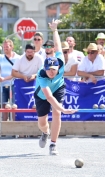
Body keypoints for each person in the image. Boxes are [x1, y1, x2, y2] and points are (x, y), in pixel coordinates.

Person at [35, 19, 77, 155]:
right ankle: (45, 133)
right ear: (45, 68)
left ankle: (53, 144)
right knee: (42, 123)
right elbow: (49, 97)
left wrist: (55, 30)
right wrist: (64, 109)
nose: (52, 72)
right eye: (49, 70)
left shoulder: (60, 61)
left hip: (58, 87)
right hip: (43, 94)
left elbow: (58, 46)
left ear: (58, 66)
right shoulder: (41, 75)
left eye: (54, 69)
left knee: (57, 113)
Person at [0, 39, 20, 121]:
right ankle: (4, 127)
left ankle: (14, 127)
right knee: (4, 106)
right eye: (4, 47)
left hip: (14, 85)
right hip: (3, 85)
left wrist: (4, 78)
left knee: (13, 106)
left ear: (12, 47)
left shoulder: (18, 58)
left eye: (7, 46)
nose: (5, 48)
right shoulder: (1, 58)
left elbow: (16, 72)